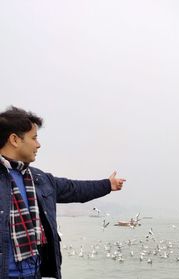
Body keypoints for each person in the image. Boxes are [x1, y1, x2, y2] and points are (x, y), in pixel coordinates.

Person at [0, 106, 126, 279]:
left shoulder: (39, 178)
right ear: (14, 139)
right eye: (34, 138)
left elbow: (74, 189)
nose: (38, 144)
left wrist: (107, 185)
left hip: (35, 273)